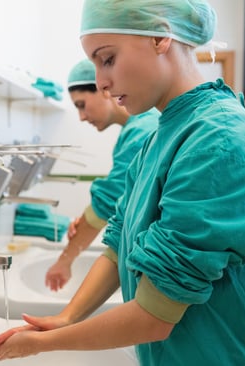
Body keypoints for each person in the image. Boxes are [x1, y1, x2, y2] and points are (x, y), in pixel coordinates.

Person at [0, 0, 245, 364]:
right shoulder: (161, 135)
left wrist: (43, 344)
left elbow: (155, 316)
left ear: (160, 38)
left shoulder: (220, 140)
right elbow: (119, 244)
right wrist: (67, 316)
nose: (102, 83)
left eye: (107, 59)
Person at [45, 59, 159, 292]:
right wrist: (89, 216)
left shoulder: (141, 131)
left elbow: (106, 203)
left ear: (103, 89)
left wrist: (65, 261)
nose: (81, 116)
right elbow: (118, 200)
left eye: (81, 104)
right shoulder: (139, 127)